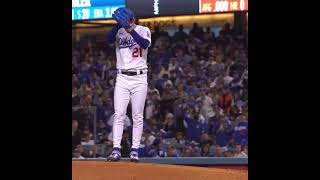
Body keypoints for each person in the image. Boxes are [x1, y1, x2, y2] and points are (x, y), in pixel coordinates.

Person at [106, 7, 151, 162]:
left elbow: (144, 44)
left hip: (139, 78)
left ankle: (134, 150)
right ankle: (116, 149)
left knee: (137, 116)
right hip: (122, 77)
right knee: (119, 114)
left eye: (127, 18)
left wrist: (130, 29)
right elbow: (109, 39)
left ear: (133, 18)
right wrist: (118, 25)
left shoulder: (144, 30)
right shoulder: (119, 31)